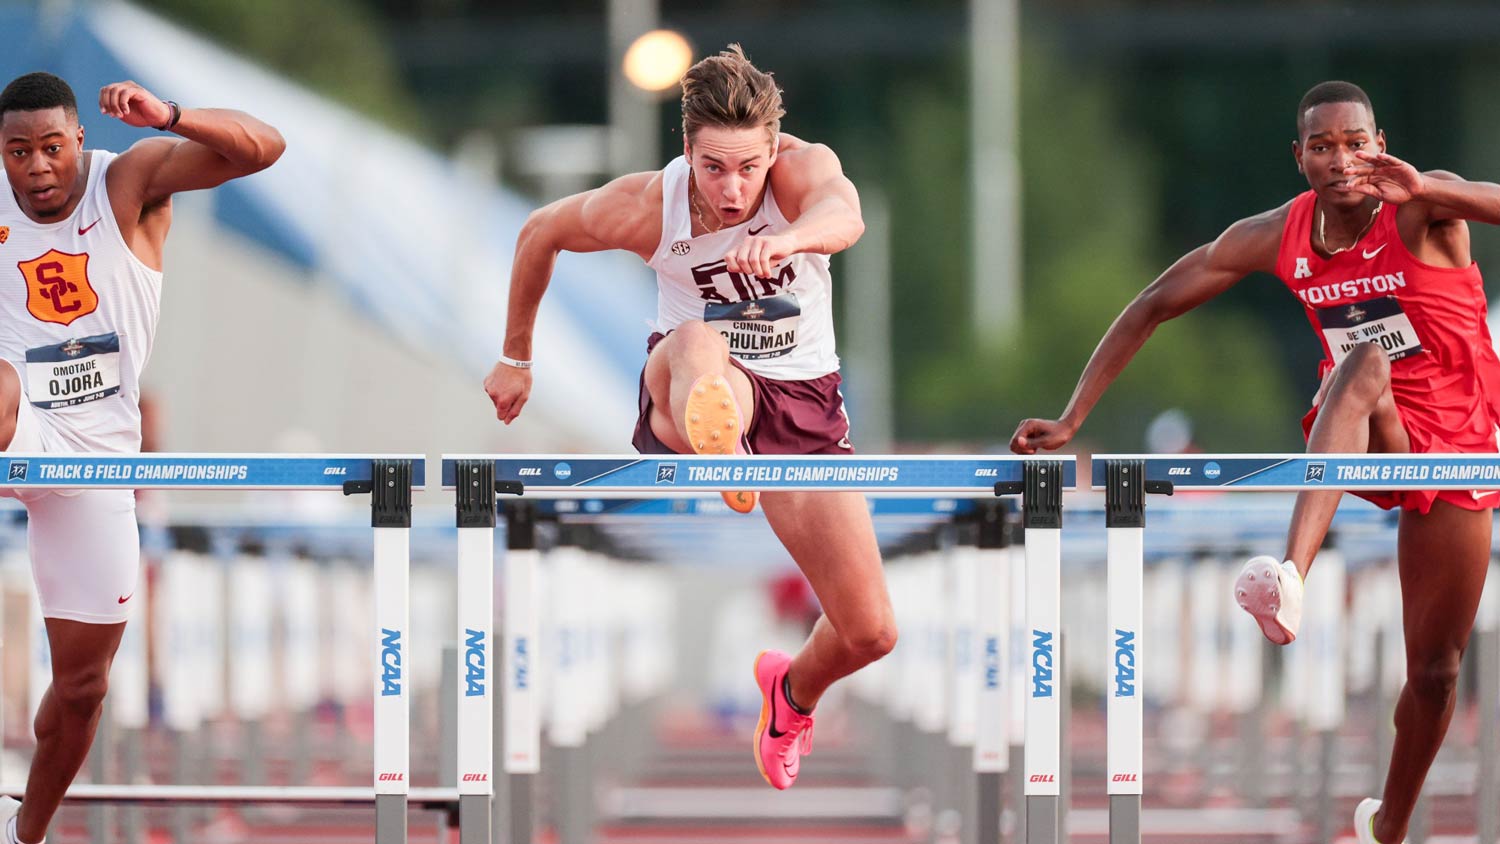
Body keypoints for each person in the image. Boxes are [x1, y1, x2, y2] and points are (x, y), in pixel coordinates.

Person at [1009, 80, 1500, 844]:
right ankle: (1291, 579)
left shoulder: (1419, 206)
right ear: (1298, 155)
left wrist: (1431, 183)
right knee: (1364, 361)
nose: (1342, 161)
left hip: (1458, 446)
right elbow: (1152, 304)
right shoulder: (1278, 234)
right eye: (1323, 146)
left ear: (1379, 140)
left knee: (1435, 672)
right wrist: (1075, 416)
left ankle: (1389, 826)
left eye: (1356, 142)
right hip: (1363, 428)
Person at [484, 45, 895, 790]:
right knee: (701, 344)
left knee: (870, 632)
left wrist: (787, 239)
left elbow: (846, 215)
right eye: (714, 168)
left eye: (748, 168)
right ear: (686, 151)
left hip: (804, 407)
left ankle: (790, 692)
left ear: (774, 150)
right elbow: (539, 230)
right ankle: (726, 448)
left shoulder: (801, 172)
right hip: (688, 385)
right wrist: (517, 358)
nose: (733, 191)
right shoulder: (650, 205)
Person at [0, 72, 283, 844]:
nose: (36, 168)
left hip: (93, 462)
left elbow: (267, 149)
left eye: (51, 148)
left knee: (84, 687)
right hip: (14, 427)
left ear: (77, 142)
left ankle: (23, 833)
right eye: (17, 152)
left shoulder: (130, 179)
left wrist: (174, 116)